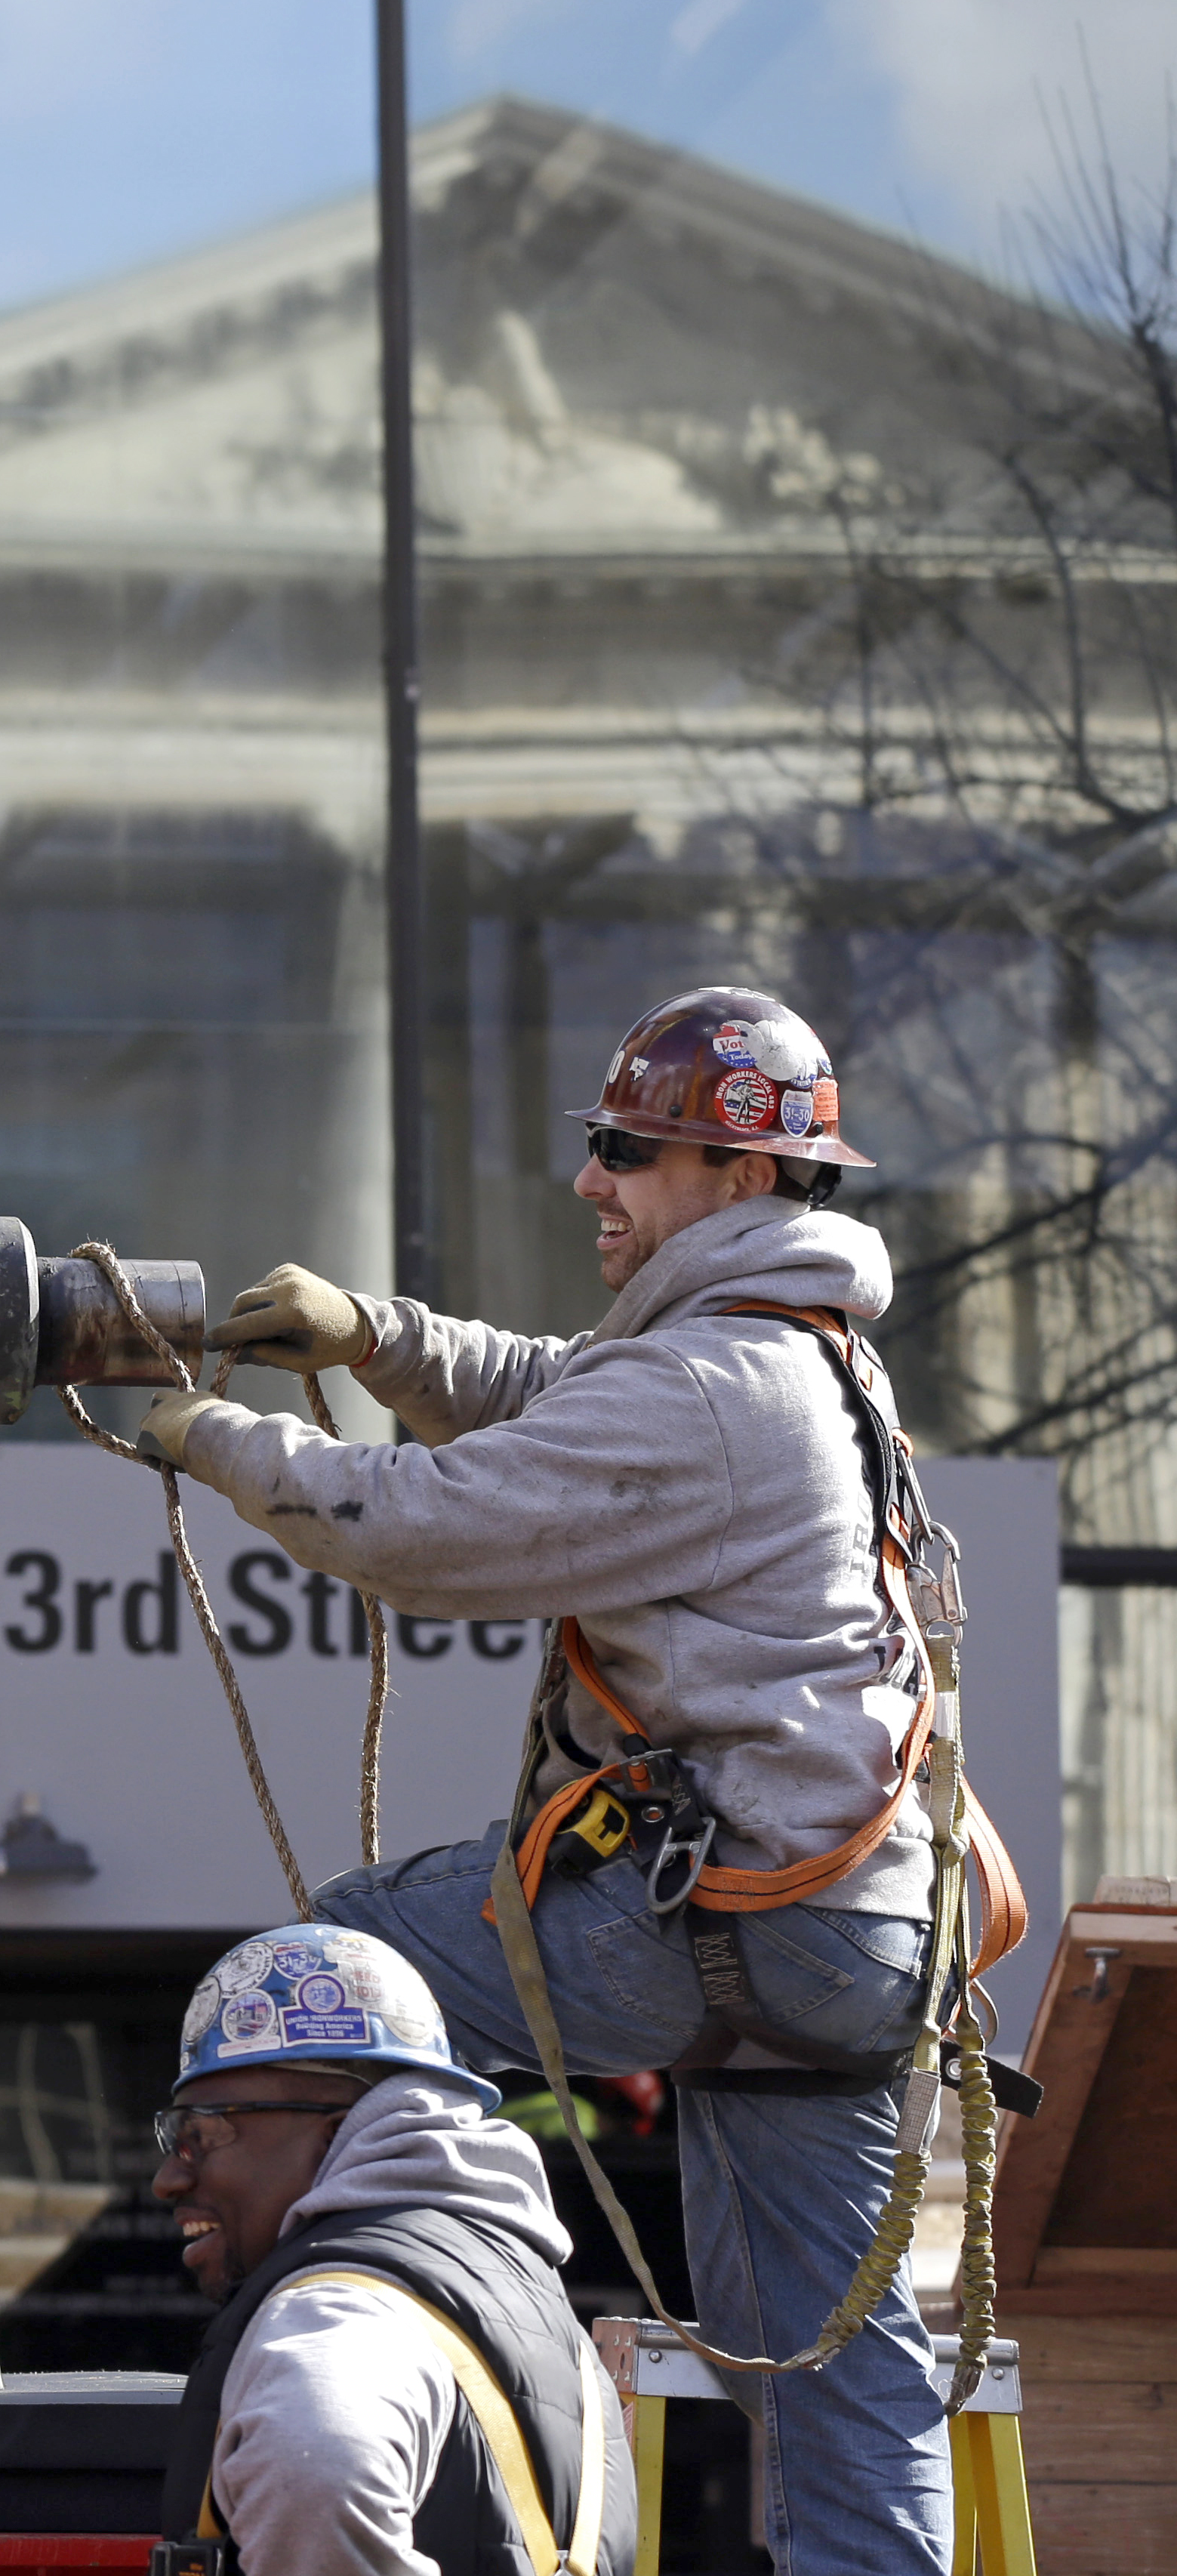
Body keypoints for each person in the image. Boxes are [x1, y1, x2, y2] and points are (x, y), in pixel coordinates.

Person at [134, 985, 1015, 2576]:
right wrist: (379, 1338)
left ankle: (419, 2324)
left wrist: (218, 1443)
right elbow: (564, 1398)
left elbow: (418, 1529)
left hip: (724, 1915)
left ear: (740, 1182)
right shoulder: (798, 1359)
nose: (594, 1182)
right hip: (852, 1940)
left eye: (629, 1151)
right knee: (844, 2383)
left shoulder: (710, 1390)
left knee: (347, 1977)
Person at [153, 1923, 632, 2576]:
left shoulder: (341, 2308)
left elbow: (315, 2474)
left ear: (332, 2134)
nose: (169, 2178)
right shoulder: (545, 2322)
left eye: (200, 2136)